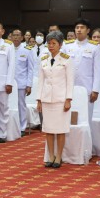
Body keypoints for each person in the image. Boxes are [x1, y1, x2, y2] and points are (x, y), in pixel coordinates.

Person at [36, 31, 73, 168]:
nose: (51, 46)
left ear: (60, 45)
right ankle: (50, 156)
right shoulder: (44, 60)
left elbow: (70, 81)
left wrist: (68, 99)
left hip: (60, 100)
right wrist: (39, 100)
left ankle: (58, 156)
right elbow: (41, 81)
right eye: (49, 43)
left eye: (54, 43)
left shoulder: (66, 60)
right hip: (47, 99)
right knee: (49, 129)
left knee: (60, 129)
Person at [61, 18, 100, 122]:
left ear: (88, 30)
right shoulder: (67, 46)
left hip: (87, 88)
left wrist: (95, 90)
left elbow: (98, 70)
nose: (79, 30)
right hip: (69, 88)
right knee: (68, 118)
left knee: (86, 118)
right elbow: (62, 67)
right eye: (77, 27)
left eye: (82, 27)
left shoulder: (94, 47)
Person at [10, 27, 35, 134]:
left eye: (18, 35)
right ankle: (11, 126)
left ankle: (22, 127)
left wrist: (29, 85)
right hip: (9, 83)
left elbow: (31, 69)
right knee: (9, 105)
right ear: (11, 37)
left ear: (22, 37)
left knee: (21, 105)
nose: (16, 37)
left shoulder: (27, 50)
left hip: (21, 82)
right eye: (14, 35)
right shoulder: (8, 49)